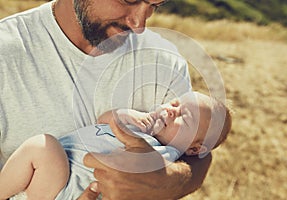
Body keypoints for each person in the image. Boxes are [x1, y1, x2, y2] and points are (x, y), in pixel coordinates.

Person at [0, 0, 215, 199]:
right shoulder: (6, 53)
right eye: (128, 0)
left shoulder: (165, 60)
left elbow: (196, 153)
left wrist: (173, 181)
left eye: (154, 6)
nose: (139, 24)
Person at [0, 91, 232, 199]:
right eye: (174, 103)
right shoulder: (141, 122)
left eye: (185, 117)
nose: (171, 111)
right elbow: (103, 121)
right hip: (47, 180)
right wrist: (123, 114)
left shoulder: (164, 156)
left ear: (194, 149)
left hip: (65, 187)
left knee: (44, 146)